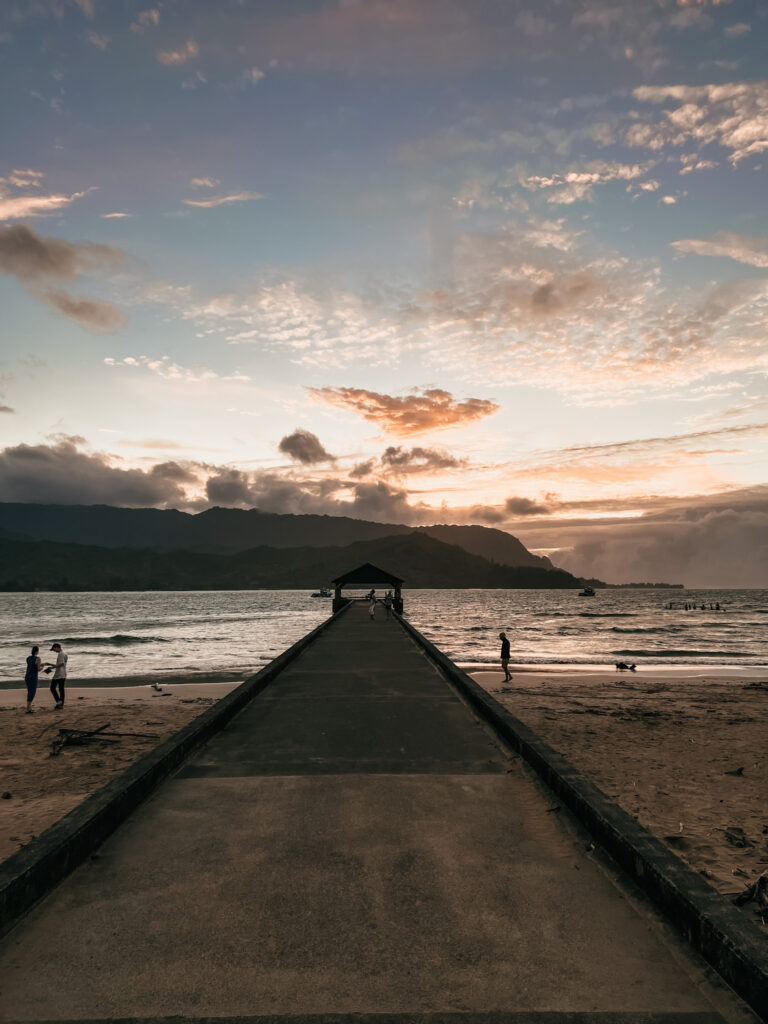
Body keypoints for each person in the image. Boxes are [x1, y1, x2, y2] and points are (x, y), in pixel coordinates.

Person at [45, 642, 68, 709]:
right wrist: (51, 665)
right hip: (62, 673)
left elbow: (61, 664)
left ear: (57, 647)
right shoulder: (64, 654)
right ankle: (60, 704)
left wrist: (51, 667)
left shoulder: (61, 654)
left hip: (59, 674)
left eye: (54, 649)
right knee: (61, 689)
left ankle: (59, 702)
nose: (54, 651)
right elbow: (62, 664)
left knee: (52, 688)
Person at [24, 645, 42, 714]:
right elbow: (38, 669)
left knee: (29, 691)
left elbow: (32, 666)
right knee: (32, 692)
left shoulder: (28, 658)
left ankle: (29, 707)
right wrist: (42, 667)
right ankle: (28, 709)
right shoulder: (38, 658)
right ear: (37, 651)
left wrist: (40, 665)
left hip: (27, 676)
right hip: (33, 677)